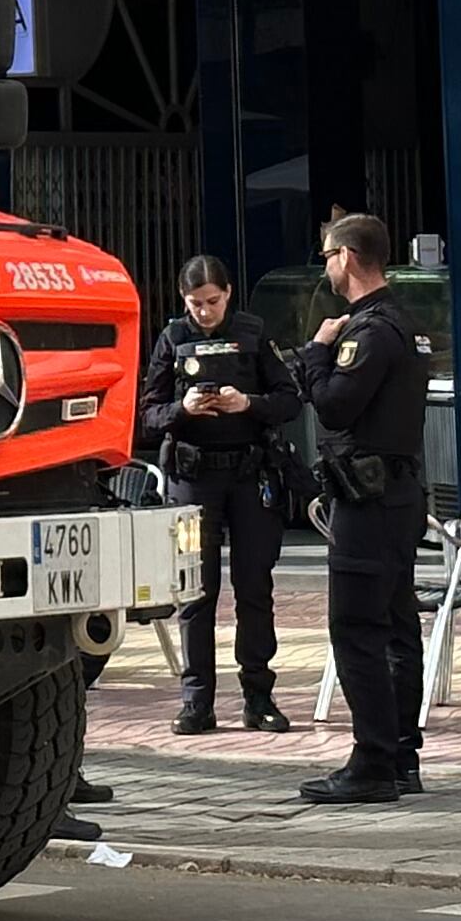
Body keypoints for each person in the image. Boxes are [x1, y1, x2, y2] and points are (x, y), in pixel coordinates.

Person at [289, 213, 427, 807]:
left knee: (359, 631)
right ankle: (401, 756)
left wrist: (315, 354)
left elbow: (336, 408)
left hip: (367, 501)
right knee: (397, 628)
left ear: (346, 257)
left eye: (326, 255)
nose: (325, 266)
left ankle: (373, 761)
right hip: (398, 496)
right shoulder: (406, 322)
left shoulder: (365, 333)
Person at [137, 254, 300, 734]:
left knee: (254, 587)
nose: (205, 311)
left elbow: (290, 399)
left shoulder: (252, 334)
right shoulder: (172, 339)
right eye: (195, 303)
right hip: (193, 478)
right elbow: (147, 413)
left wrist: (247, 402)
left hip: (249, 474)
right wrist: (182, 410)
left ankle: (258, 697)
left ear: (228, 293)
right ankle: (197, 702)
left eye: (212, 301)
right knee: (196, 592)